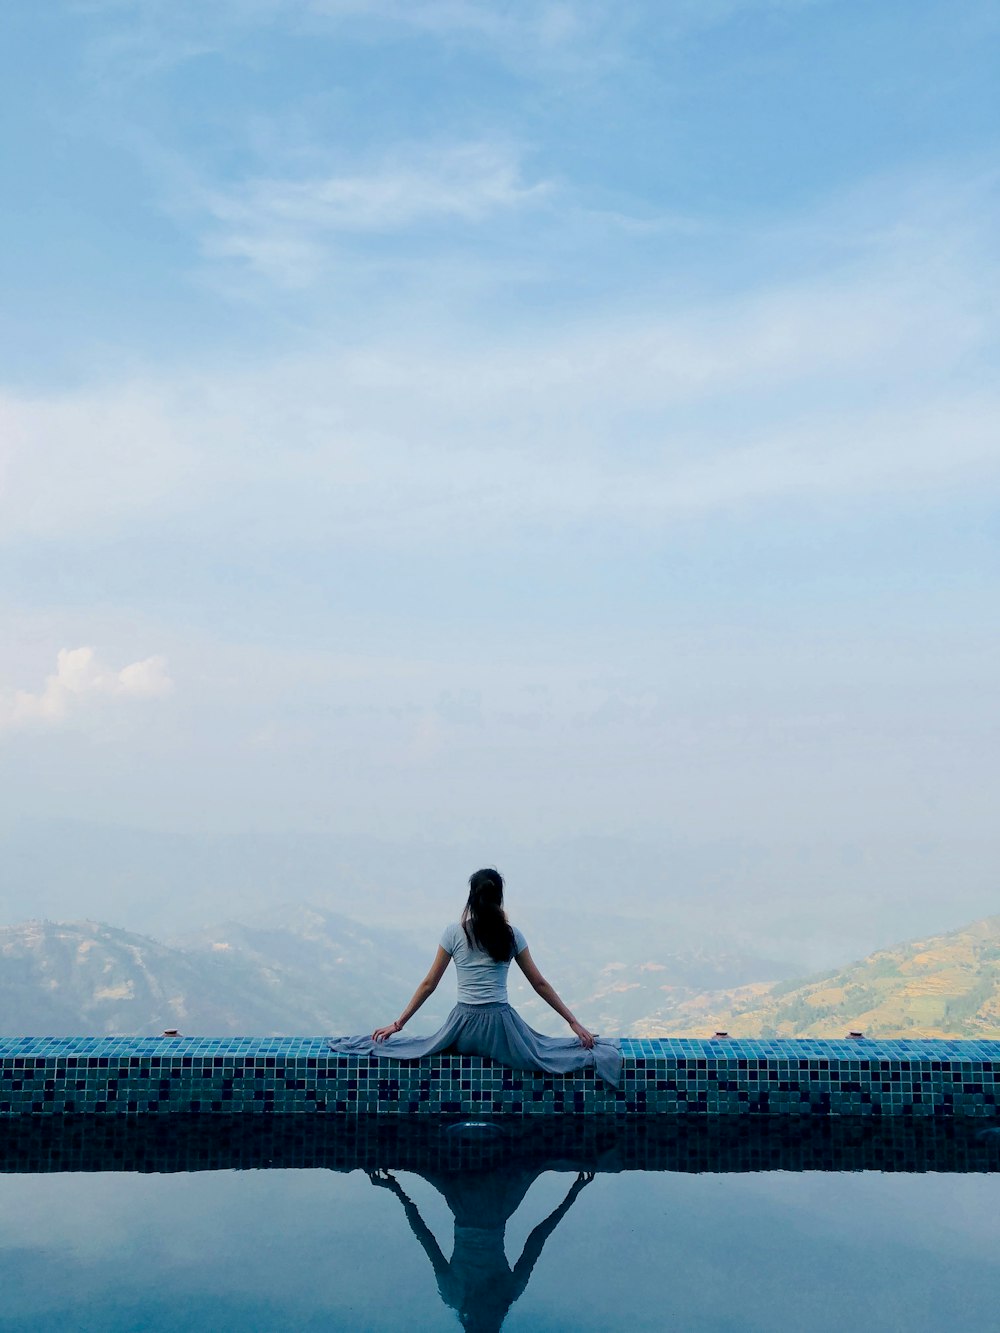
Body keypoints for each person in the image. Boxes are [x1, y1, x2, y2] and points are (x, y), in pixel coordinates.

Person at [327, 867, 621, 1088]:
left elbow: (429, 984)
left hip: (462, 1030)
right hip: (501, 1031)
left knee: (416, 1046)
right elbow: (539, 983)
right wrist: (573, 1022)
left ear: (472, 897)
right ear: (499, 898)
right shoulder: (511, 934)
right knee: (547, 1053)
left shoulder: (454, 933)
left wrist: (398, 1024)